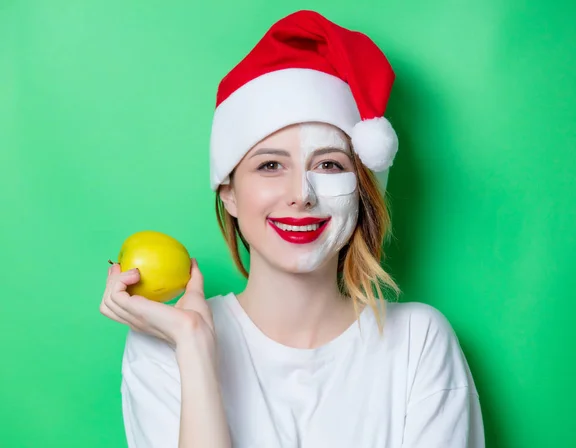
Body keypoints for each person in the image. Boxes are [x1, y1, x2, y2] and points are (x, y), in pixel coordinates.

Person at [99, 9, 485, 448]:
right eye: (269, 165)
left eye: (328, 164)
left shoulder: (419, 342)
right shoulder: (165, 343)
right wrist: (194, 349)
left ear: (361, 190)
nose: (301, 194)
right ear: (229, 192)